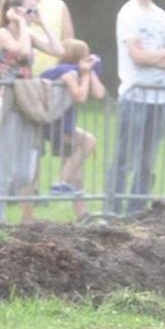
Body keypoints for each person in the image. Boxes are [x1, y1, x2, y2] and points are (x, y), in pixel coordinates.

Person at [108, 0, 165, 216]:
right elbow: (136, 57)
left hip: (159, 99)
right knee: (124, 159)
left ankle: (136, 212)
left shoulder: (162, 15)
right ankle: (113, 212)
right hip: (134, 96)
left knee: (147, 162)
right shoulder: (127, 14)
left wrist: (154, 56)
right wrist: (161, 56)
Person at [0, 0, 63, 225]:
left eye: (35, 10)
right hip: (8, 105)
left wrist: (41, 23)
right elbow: (20, 50)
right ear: (15, 11)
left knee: (24, 172)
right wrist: (21, 23)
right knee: (5, 167)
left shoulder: (28, 33)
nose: (33, 14)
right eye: (29, 10)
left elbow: (58, 50)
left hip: (26, 106)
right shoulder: (3, 34)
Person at [40, 39, 105, 219]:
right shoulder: (66, 72)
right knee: (88, 141)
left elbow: (99, 94)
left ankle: (82, 214)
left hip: (62, 124)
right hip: (51, 124)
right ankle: (60, 182)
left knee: (77, 170)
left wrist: (89, 72)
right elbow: (80, 97)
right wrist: (84, 74)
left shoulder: (77, 71)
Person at [16, 0, 75, 75]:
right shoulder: (13, 9)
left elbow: (69, 43)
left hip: (56, 77)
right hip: (24, 78)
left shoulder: (59, 5)